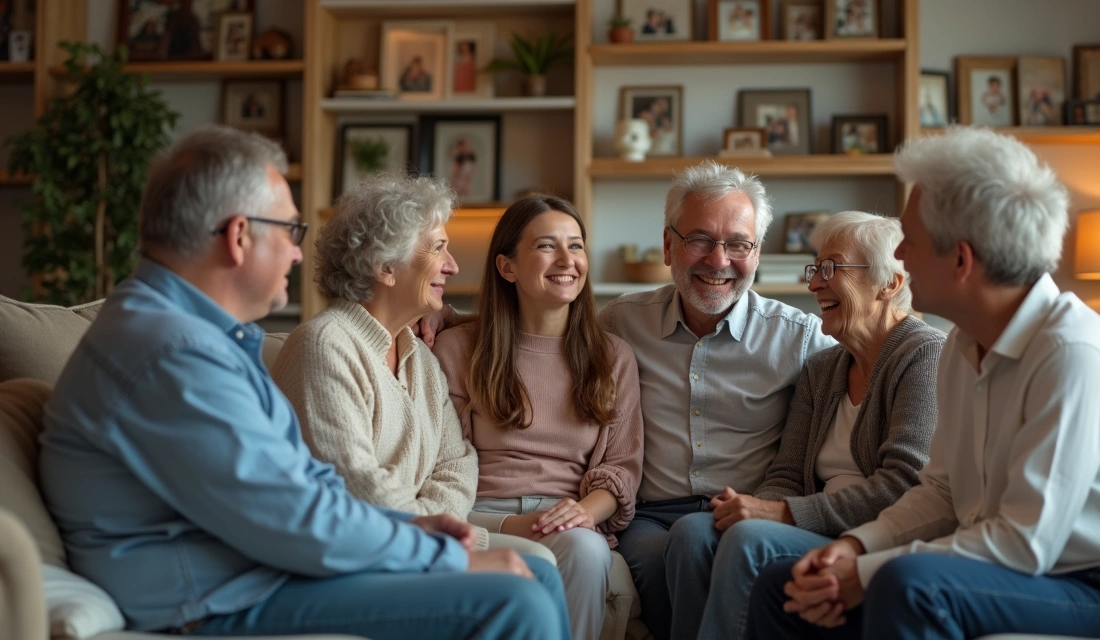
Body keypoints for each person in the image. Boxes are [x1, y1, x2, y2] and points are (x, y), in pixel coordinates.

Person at [38, 125, 570, 640]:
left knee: (539, 577)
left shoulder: (197, 335)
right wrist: (438, 552)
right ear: (239, 236)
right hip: (215, 596)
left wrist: (411, 530)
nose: (298, 253)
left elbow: (301, 484)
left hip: (254, 572)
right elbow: (291, 515)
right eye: (290, 231)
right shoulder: (173, 351)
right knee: (515, 596)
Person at [747, 126, 1100, 640]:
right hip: (1016, 570)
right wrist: (855, 548)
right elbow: (940, 491)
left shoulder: (1071, 354)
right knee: (787, 584)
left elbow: (1026, 543)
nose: (901, 257)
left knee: (907, 584)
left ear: (961, 259)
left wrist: (866, 572)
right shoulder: (960, 345)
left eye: (910, 239)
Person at [664, 211, 944, 640]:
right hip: (816, 526)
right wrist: (752, 509)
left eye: (832, 268)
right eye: (815, 269)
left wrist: (778, 515)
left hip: (874, 539)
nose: (813, 284)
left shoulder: (923, 355)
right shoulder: (824, 367)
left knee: (748, 541)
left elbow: (904, 484)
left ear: (890, 284)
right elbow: (788, 474)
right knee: (693, 533)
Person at [599, 161, 837, 639]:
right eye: (701, 240)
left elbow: (869, 360)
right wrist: (452, 321)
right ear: (669, 244)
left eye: (737, 244)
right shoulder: (620, 322)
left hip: (751, 510)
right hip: (651, 512)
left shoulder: (800, 336)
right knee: (647, 554)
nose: (719, 260)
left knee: (692, 540)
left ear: (757, 251)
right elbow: (541, 337)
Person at [271, 173, 555, 564]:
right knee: (530, 574)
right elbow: (354, 483)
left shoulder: (419, 355)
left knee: (541, 564)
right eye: (438, 248)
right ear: (386, 265)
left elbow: (457, 463)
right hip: (357, 555)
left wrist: (437, 526)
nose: (452, 266)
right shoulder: (325, 344)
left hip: (419, 542)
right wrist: (436, 531)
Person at [433, 195, 645, 640]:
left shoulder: (613, 357)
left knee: (584, 550)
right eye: (548, 246)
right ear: (507, 267)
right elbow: (440, 468)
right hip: (477, 513)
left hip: (567, 519)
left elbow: (620, 469)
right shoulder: (458, 349)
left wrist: (580, 515)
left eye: (577, 245)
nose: (568, 260)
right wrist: (511, 526)